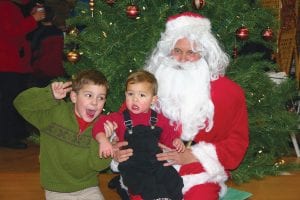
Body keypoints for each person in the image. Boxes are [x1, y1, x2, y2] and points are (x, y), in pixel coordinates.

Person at [113, 12, 249, 200]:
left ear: (204, 54)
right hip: (149, 168)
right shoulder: (149, 86)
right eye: (177, 50)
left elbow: (236, 142)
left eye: (191, 52)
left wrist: (194, 155)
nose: (182, 58)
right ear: (167, 52)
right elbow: (121, 123)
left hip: (198, 172)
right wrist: (116, 148)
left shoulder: (228, 93)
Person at [13, 69, 111, 200]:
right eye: (89, 95)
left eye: (101, 98)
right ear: (74, 97)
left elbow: (99, 165)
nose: (95, 102)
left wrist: (104, 140)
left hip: (88, 187)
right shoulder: (54, 113)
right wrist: (48, 94)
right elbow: (20, 103)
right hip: (56, 189)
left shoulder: (103, 126)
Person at [93, 70, 184, 200]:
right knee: (143, 187)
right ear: (125, 95)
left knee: (174, 180)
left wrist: (176, 141)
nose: (135, 99)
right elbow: (99, 125)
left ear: (153, 99)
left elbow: (169, 136)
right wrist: (103, 140)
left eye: (142, 95)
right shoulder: (120, 118)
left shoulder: (159, 119)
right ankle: (128, 188)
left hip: (155, 163)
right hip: (133, 166)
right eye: (130, 94)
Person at [0, 0, 45, 149]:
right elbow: (11, 32)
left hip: (13, 64)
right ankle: (7, 137)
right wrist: (33, 19)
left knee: (14, 100)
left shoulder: (11, 6)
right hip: (7, 64)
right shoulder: (5, 6)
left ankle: (15, 133)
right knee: (9, 102)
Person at [30, 5, 66, 87]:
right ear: (54, 17)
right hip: (58, 69)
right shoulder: (59, 32)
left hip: (41, 70)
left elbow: (33, 49)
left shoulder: (37, 32)